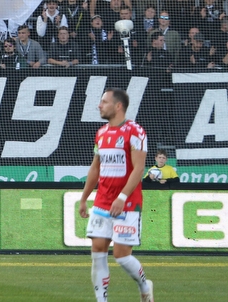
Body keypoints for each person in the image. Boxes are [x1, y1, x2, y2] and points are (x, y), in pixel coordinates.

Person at [78, 88, 155, 302]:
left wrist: (122, 197)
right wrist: (84, 198)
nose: (99, 105)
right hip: (102, 203)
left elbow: (139, 169)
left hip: (128, 204)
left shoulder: (136, 132)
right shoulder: (101, 133)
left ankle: (144, 286)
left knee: (121, 256)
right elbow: (95, 168)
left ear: (118, 106)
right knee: (97, 252)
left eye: (104, 102)